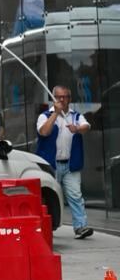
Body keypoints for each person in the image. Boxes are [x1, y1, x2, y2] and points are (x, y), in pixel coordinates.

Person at [37, 85, 93, 239]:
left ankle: (81, 227)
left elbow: (86, 126)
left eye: (65, 97)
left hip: (70, 164)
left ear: (69, 99)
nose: (62, 100)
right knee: (48, 196)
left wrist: (77, 129)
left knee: (75, 195)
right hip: (50, 165)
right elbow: (43, 132)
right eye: (58, 97)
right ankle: (45, 227)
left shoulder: (75, 116)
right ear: (53, 98)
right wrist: (55, 113)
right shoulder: (45, 116)